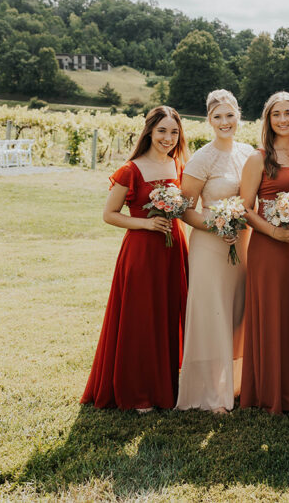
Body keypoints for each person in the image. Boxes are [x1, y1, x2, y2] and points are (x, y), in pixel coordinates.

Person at [82, 106, 189, 411]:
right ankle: (139, 390)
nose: (168, 138)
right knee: (141, 318)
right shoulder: (131, 169)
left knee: (168, 315)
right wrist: (146, 223)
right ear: (149, 132)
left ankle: (167, 383)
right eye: (162, 131)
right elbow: (109, 215)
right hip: (142, 250)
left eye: (174, 132)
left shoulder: (178, 166)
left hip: (173, 249)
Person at [175, 90, 253, 413]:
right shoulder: (202, 158)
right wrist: (218, 225)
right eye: (218, 116)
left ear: (238, 116)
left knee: (236, 312)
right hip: (210, 245)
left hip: (242, 245)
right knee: (212, 312)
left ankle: (233, 384)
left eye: (230, 115)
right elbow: (184, 209)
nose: (225, 122)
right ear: (209, 120)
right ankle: (208, 393)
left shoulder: (249, 154)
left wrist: (238, 227)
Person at [239, 92, 289, 414]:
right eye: (276, 114)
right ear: (268, 120)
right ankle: (268, 391)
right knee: (271, 313)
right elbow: (245, 209)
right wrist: (273, 232)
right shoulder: (259, 157)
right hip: (268, 245)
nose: (283, 119)